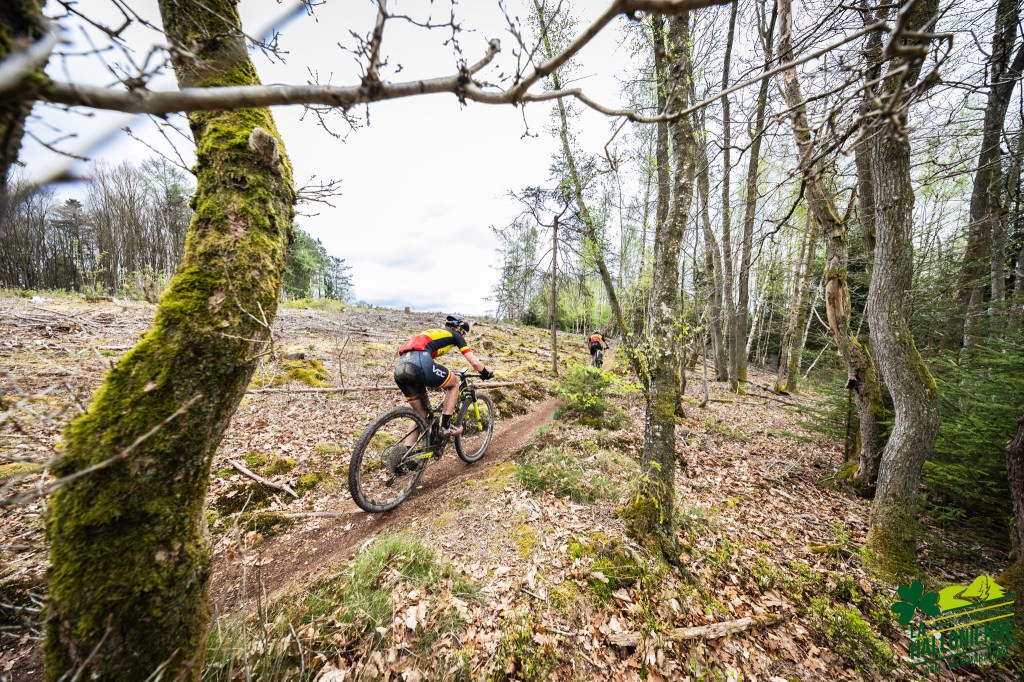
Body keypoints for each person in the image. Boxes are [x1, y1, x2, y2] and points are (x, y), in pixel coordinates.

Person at [394, 314, 493, 437]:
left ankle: (407, 448)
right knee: (454, 383)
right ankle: (445, 426)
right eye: (464, 333)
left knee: (421, 415)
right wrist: (485, 373)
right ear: (459, 329)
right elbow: (474, 362)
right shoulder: (455, 335)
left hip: (400, 367)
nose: (463, 336)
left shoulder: (434, 333)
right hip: (420, 363)